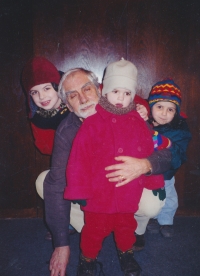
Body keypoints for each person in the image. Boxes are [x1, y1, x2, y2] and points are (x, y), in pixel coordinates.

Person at [41, 66, 172, 276]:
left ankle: (128, 249)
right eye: (73, 96)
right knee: (90, 225)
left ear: (100, 89)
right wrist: (61, 243)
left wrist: (146, 166)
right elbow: (59, 181)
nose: (83, 99)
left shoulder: (133, 115)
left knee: (127, 224)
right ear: (67, 104)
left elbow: (164, 152)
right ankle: (85, 250)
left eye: (87, 89)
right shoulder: (68, 131)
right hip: (96, 197)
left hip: (127, 192)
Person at [133, 78, 191, 251]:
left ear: (177, 112)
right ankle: (150, 218)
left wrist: (165, 142)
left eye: (170, 109)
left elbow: (178, 154)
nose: (164, 113)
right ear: (151, 107)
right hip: (146, 173)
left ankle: (166, 221)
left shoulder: (180, 129)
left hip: (166, 173)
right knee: (148, 198)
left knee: (169, 198)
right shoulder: (145, 123)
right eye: (159, 107)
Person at [21, 56, 70, 155]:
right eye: (34, 92)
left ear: (57, 86)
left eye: (46, 88)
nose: (41, 97)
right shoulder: (38, 117)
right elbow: (46, 148)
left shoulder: (74, 96)